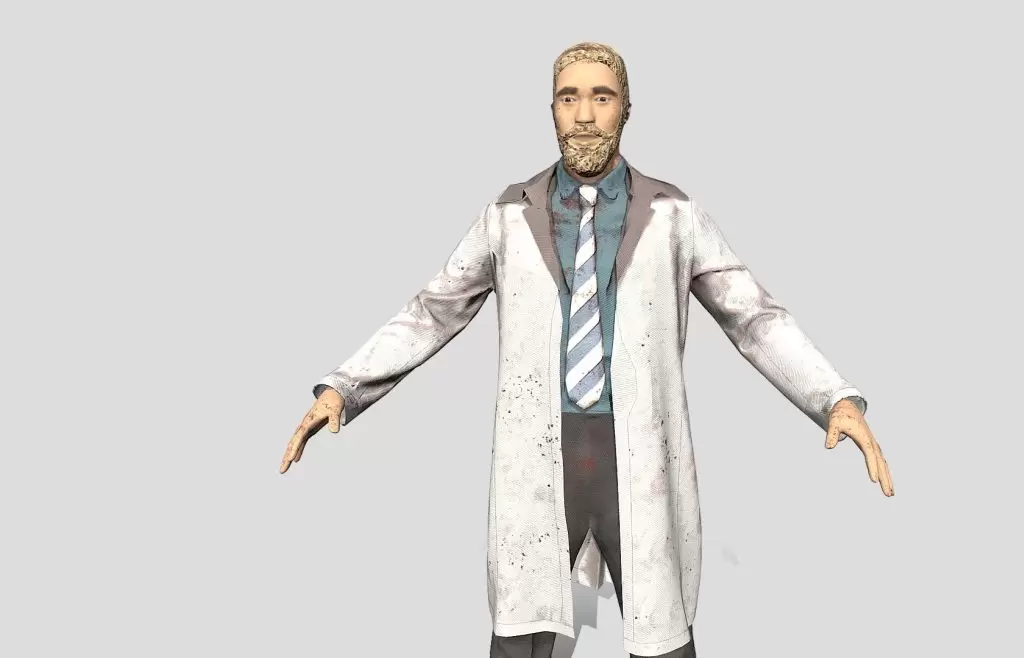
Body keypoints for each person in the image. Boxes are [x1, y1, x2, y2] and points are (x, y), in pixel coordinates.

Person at [279, 41, 894, 658]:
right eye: (568, 98)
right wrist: (344, 387)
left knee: (663, 641)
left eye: (602, 97)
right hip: (541, 457)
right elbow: (433, 309)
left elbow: (753, 315)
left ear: (626, 108)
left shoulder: (675, 215)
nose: (584, 115)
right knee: (519, 642)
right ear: (551, 109)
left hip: (639, 460)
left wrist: (833, 398)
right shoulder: (507, 215)